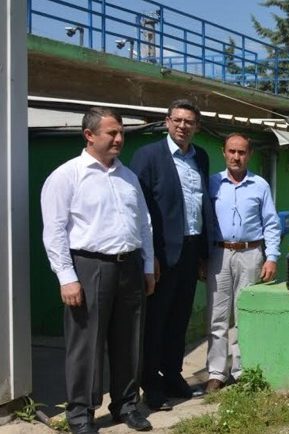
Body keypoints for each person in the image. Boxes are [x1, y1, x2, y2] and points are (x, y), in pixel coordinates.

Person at [40, 107, 155, 433]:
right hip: (90, 267)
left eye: (121, 133)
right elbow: (54, 231)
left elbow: (144, 224)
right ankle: (81, 414)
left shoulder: (128, 177)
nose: (119, 139)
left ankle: (126, 405)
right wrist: (67, 277)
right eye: (112, 133)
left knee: (129, 340)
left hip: (129, 266)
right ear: (89, 135)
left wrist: (148, 265)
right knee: (86, 345)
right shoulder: (67, 176)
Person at [130, 99, 213, 410]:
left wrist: (203, 253)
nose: (182, 126)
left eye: (189, 121)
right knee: (156, 321)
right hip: (162, 253)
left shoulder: (200, 156)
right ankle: (151, 383)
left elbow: (201, 206)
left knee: (179, 317)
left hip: (190, 250)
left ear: (197, 127)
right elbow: (139, 209)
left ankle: (172, 373)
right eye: (177, 120)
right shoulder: (149, 156)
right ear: (167, 122)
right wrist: (148, 256)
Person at [205, 133, 281, 393]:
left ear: (249, 155)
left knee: (243, 314)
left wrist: (272, 257)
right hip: (219, 254)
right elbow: (205, 222)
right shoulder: (213, 183)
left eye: (241, 152)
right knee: (217, 316)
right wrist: (202, 258)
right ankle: (216, 372)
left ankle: (241, 371)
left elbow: (271, 223)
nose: (236, 157)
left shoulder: (260, 185)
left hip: (250, 254)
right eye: (232, 151)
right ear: (223, 152)